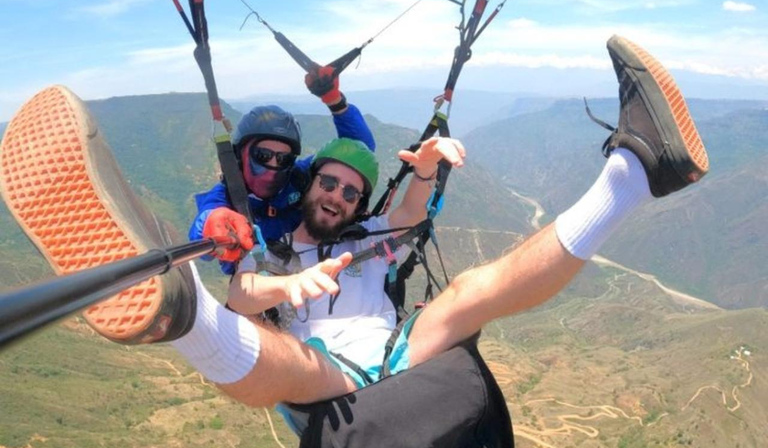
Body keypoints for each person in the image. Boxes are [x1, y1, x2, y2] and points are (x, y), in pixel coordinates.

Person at [0, 36, 709, 422]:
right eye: (328, 184)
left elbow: (401, 209)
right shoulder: (273, 245)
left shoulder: (371, 231)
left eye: (350, 191)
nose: (338, 196)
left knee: (464, 294)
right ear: (308, 185)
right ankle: (180, 313)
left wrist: (425, 167)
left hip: (401, 352)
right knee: (292, 362)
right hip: (324, 382)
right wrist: (282, 277)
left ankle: (636, 172)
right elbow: (246, 290)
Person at [188, 65, 375, 275]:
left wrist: (335, 102)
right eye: (263, 155)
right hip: (261, 289)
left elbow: (359, 152)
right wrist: (213, 223)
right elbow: (204, 230)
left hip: (317, 269)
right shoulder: (227, 196)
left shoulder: (299, 177)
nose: (274, 165)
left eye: (283, 158)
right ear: (242, 154)